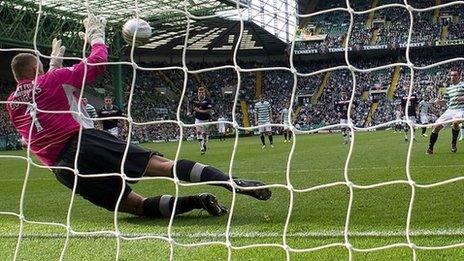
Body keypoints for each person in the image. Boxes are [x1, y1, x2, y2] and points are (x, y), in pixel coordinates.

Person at [6, 15, 271, 219]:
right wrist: (96, 37)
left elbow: (36, 100)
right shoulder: (53, 80)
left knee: (137, 207)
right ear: (36, 67)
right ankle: (231, 182)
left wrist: (50, 67)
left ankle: (197, 201)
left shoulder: (10, 104)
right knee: (162, 165)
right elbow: (98, 60)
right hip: (84, 144)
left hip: (63, 169)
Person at [427, 69, 464, 154]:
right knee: (436, 126)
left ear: (458, 76)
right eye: (451, 75)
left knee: (455, 122)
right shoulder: (448, 89)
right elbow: (444, 101)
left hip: (460, 110)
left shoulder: (462, 85)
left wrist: (462, 98)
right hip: (450, 110)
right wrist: (438, 102)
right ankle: (430, 148)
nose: (453, 77)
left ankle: (453, 144)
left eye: (455, 75)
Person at [192, 87, 213, 155]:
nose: (200, 94)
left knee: (204, 134)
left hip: (206, 120)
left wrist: (199, 111)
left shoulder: (208, 100)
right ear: (197, 93)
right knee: (198, 132)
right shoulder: (194, 100)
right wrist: (190, 112)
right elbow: (192, 107)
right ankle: (202, 148)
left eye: (202, 93)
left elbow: (209, 111)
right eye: (199, 93)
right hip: (198, 119)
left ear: (204, 93)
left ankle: (204, 143)